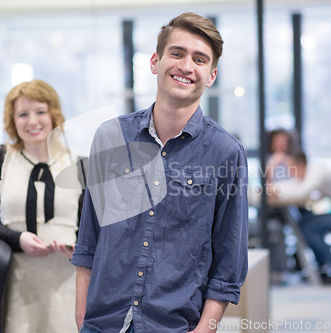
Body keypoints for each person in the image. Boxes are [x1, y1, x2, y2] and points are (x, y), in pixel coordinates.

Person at [72, 12, 249, 333]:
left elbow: (229, 259)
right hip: (103, 324)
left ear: (211, 76)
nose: (186, 66)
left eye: (200, 59)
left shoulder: (226, 152)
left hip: (175, 326)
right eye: (177, 53)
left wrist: (205, 329)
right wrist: (83, 314)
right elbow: (89, 237)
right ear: (155, 61)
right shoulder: (111, 136)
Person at [0, 79, 84, 333]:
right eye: (23, 114)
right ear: (12, 120)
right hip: (18, 278)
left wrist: (80, 250)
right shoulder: (0, 157)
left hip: (67, 279)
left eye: (40, 112)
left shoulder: (80, 163)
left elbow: (91, 228)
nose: (32, 121)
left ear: (53, 115)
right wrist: (19, 239)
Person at [268, 151, 331, 283]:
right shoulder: (313, 170)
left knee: (309, 227)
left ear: (299, 166)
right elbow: (298, 186)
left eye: (291, 170)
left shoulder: (316, 172)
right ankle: (322, 266)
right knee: (305, 223)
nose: (291, 174)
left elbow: (301, 192)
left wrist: (276, 191)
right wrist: (276, 189)